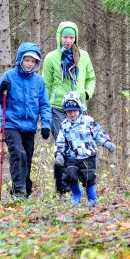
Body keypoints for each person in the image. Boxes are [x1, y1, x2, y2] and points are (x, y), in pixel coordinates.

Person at [42, 22, 97, 194]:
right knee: (63, 149)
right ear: (59, 37)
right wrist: (45, 108)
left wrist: (86, 93)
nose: (68, 40)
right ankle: (63, 189)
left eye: (71, 37)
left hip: (80, 109)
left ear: (76, 38)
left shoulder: (84, 56)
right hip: (58, 108)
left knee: (81, 149)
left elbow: (91, 78)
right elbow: (46, 85)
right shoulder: (51, 58)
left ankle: (84, 187)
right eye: (65, 37)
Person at [0, 42, 52, 198]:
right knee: (18, 154)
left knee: (27, 158)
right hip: (11, 124)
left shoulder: (39, 82)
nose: (29, 64)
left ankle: (23, 189)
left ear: (37, 63)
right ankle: (19, 192)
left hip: (30, 127)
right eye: (27, 60)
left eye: (33, 61)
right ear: (20, 59)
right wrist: (1, 89)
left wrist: (45, 124)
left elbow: (45, 104)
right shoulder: (9, 76)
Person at [54, 91, 115, 207]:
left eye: (74, 110)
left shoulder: (88, 121)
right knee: (70, 175)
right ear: (65, 111)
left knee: (88, 177)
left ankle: (92, 198)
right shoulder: (64, 124)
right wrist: (59, 154)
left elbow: (98, 134)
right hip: (71, 156)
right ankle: (76, 194)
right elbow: (61, 141)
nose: (72, 114)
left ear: (80, 109)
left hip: (88, 155)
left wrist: (106, 143)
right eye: (69, 111)